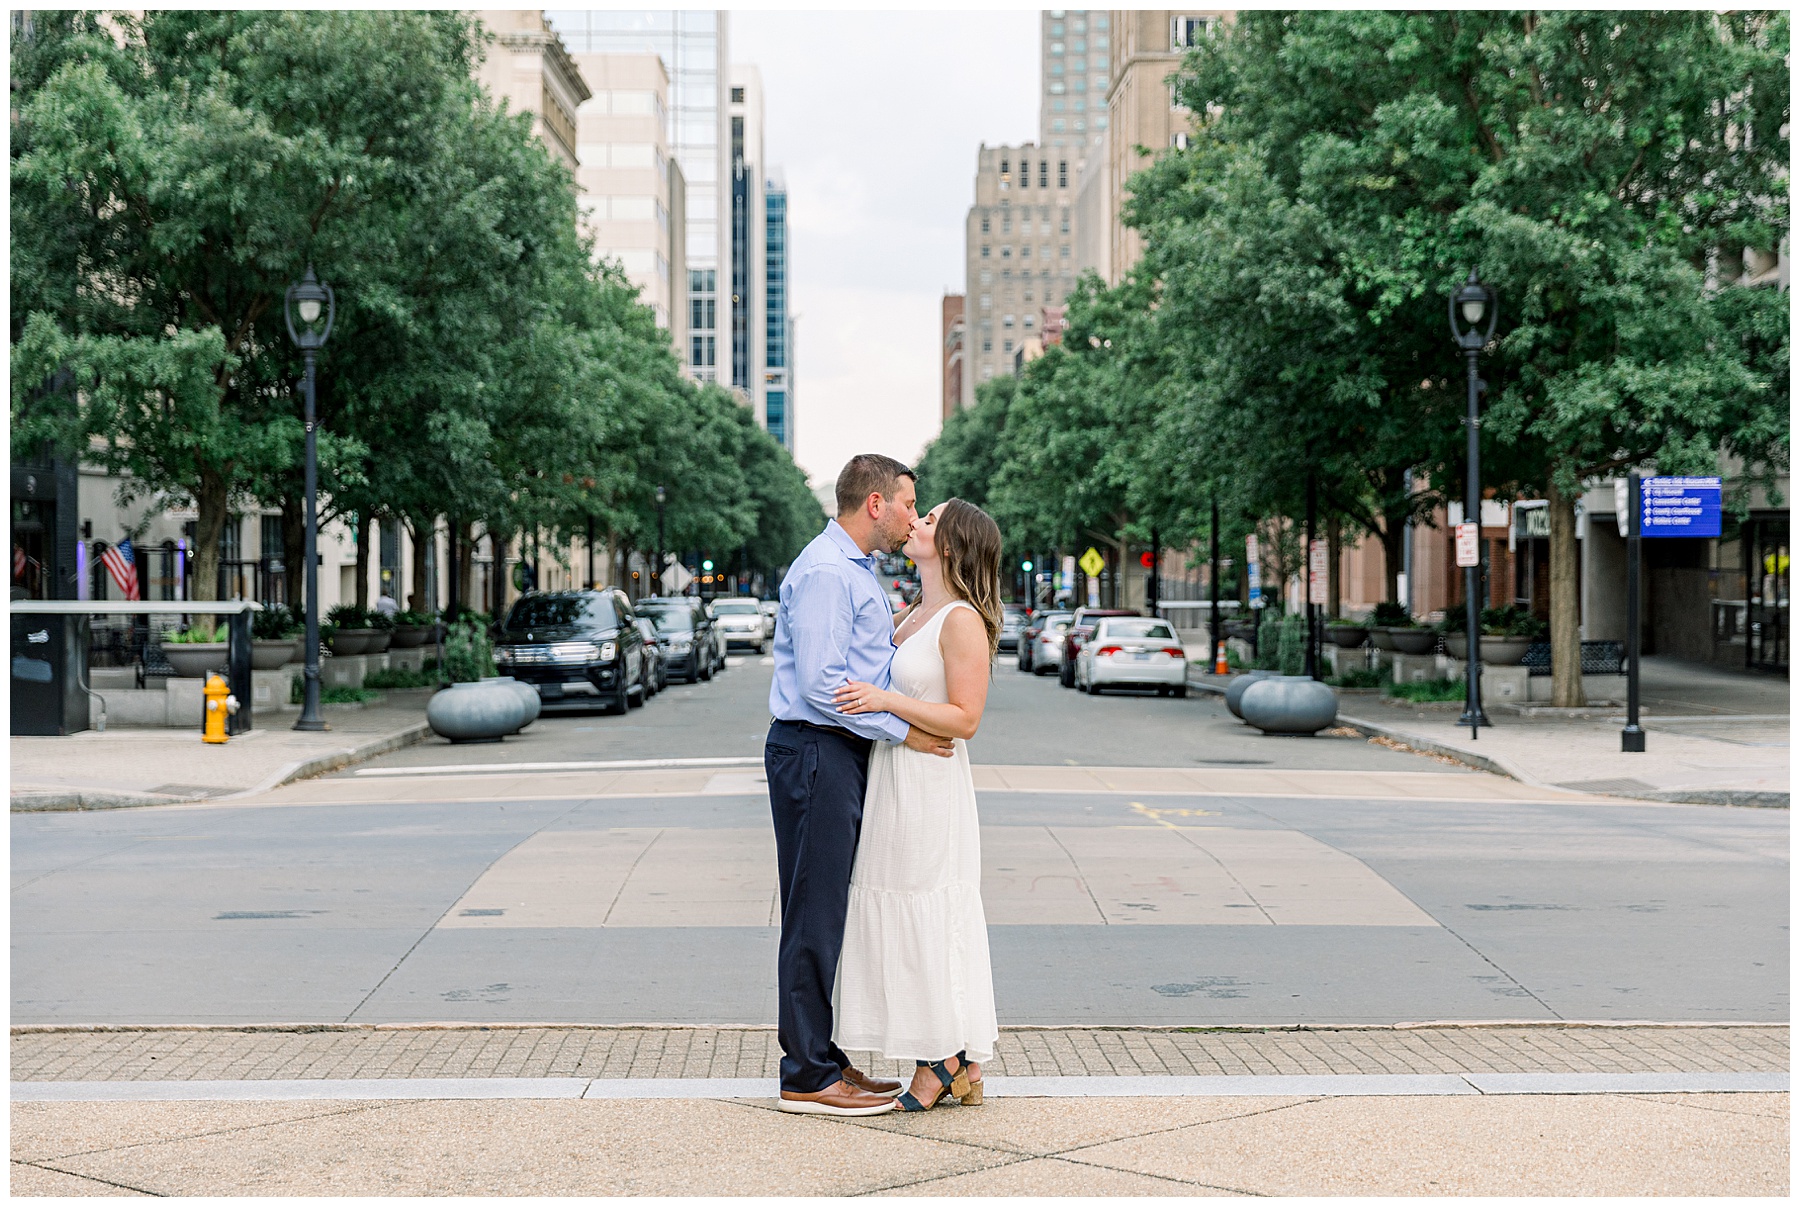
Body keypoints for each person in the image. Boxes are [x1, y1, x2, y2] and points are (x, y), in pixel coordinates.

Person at [765, 454, 958, 1117]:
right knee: (814, 911)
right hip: (817, 747)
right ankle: (808, 1074)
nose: (913, 515)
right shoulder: (826, 573)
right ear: (875, 504)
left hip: (836, 749)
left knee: (828, 908)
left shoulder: (854, 569)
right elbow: (823, 684)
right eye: (909, 503)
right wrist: (906, 731)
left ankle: (825, 1055)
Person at [832, 497, 1003, 1111]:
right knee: (900, 910)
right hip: (896, 776)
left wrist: (885, 701)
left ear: (951, 545)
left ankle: (941, 1060)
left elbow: (967, 718)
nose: (916, 522)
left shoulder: (959, 619)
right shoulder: (911, 614)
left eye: (929, 519)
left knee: (926, 910)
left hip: (930, 786)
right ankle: (960, 1060)